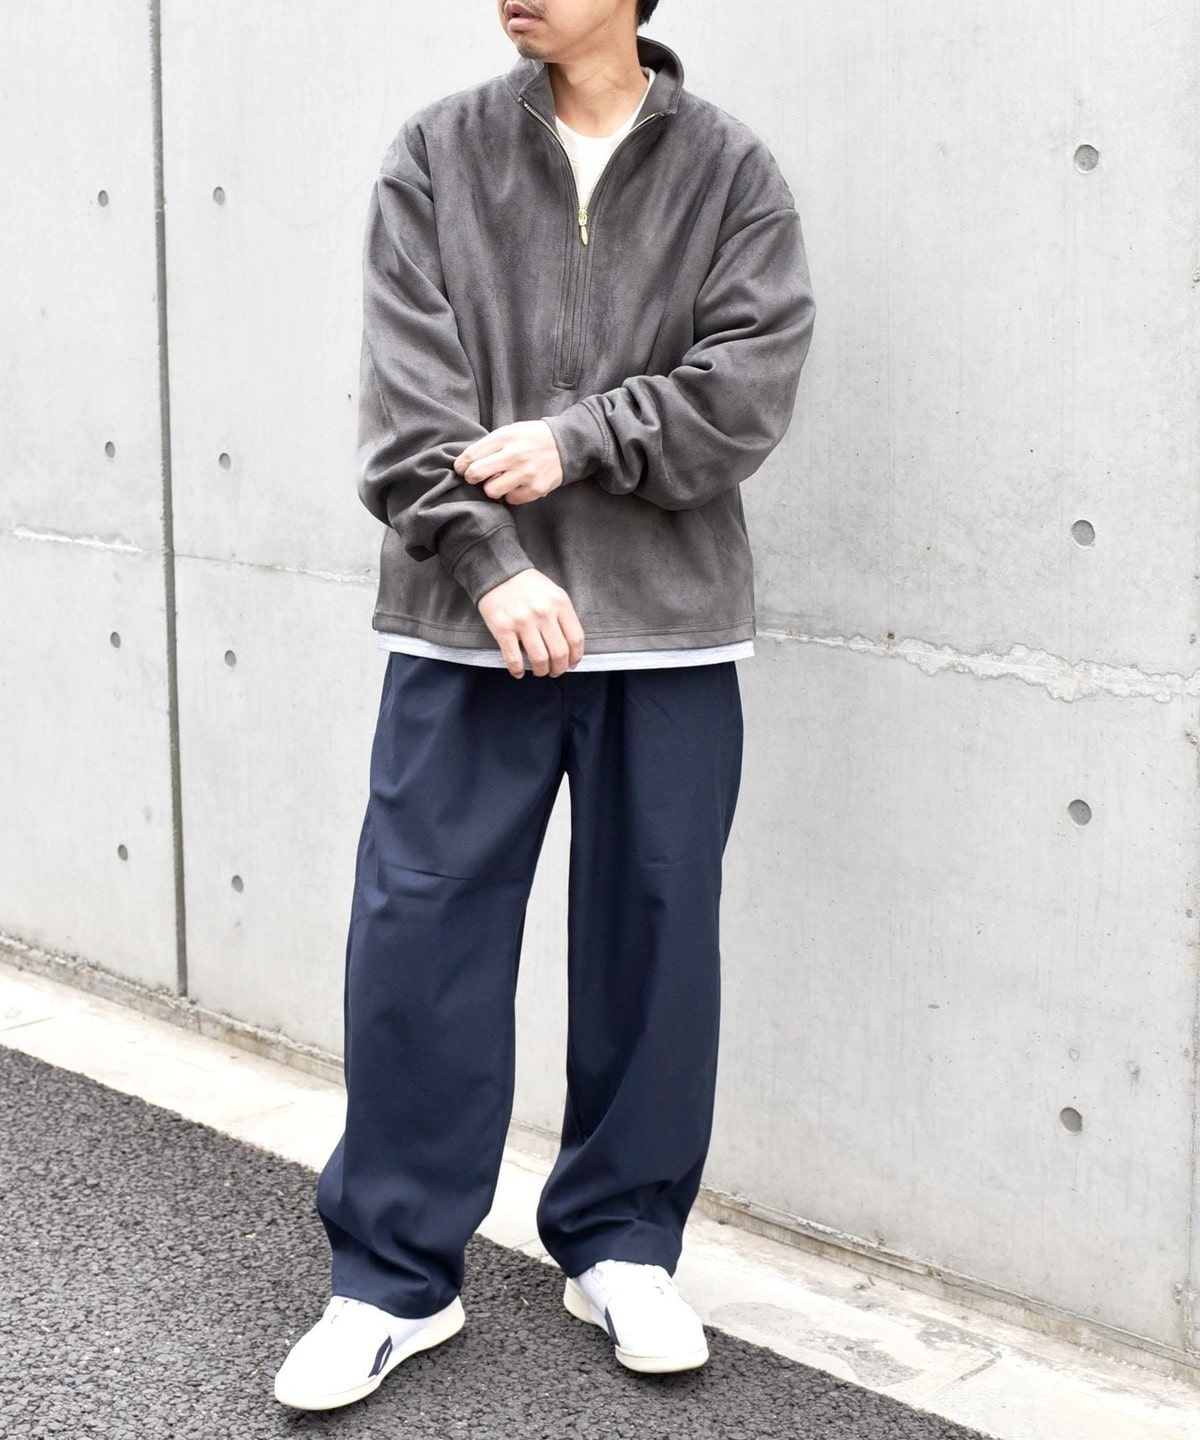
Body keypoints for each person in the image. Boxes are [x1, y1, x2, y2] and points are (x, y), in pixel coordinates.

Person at [273, 0, 814, 1412]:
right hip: (469, 635)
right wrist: (491, 565)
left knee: (656, 946)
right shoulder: (437, 153)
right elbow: (408, 405)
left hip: (668, 635)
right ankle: (392, 1278)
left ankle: (623, 1243)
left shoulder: (730, 170)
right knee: (419, 942)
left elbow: (746, 389)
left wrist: (579, 440)